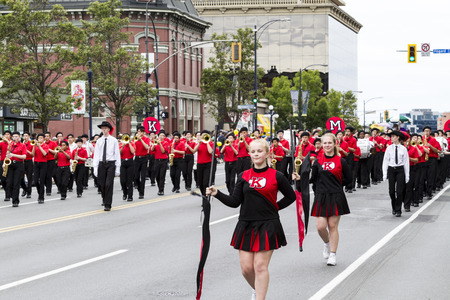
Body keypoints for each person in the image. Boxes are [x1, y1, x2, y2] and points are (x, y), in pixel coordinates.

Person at [206, 139, 296, 300]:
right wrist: (217, 194)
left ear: (267, 153)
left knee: (260, 266)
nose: (256, 154)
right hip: (246, 224)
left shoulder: (277, 176)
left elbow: (291, 196)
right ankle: (257, 289)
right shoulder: (243, 176)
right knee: (247, 269)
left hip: (268, 224)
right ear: (249, 154)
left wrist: (275, 207)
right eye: (253, 151)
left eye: (259, 151)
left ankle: (260, 297)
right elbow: (234, 202)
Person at [302, 133, 352, 266]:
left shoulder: (341, 161)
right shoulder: (318, 161)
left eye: (330, 143)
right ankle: (327, 243)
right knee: (320, 227)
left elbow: (349, 178)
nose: (327, 145)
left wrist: (337, 185)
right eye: (325, 143)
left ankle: (333, 255)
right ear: (322, 145)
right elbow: (312, 179)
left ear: (335, 144)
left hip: (336, 196)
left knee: (332, 226)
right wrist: (300, 177)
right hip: (321, 196)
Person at [93, 121, 121, 211]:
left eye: (105, 128)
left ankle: (108, 203)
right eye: (102, 128)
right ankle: (105, 199)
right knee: (102, 184)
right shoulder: (99, 141)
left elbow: (117, 154)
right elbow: (96, 155)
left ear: (109, 129)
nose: (104, 130)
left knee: (109, 184)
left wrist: (118, 167)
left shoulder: (114, 140)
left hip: (111, 163)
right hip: (101, 163)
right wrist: (95, 167)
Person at [382, 131, 409, 217]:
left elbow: (406, 162)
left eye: (393, 136)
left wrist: (407, 175)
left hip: (400, 169)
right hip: (391, 169)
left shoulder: (403, 149)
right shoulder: (389, 148)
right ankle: (394, 206)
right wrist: (384, 174)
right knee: (391, 191)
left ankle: (398, 210)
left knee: (400, 191)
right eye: (391, 136)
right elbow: (385, 161)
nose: (392, 138)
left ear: (398, 137)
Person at [4, 132, 27, 207]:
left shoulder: (22, 145)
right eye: (13, 136)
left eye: (16, 136)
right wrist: (4, 163)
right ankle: (12, 195)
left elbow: (24, 156)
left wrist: (13, 155)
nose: (14, 138)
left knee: (16, 183)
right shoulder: (10, 145)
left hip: (19, 165)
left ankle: (15, 201)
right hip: (11, 164)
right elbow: (7, 155)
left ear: (19, 137)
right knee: (9, 182)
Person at [32, 133, 49, 203]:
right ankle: (40, 193)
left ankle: (41, 197)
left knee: (42, 181)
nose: (40, 139)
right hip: (36, 163)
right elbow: (32, 154)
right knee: (35, 181)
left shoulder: (46, 145)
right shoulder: (35, 146)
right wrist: (34, 146)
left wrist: (39, 146)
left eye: (41, 138)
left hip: (43, 164)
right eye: (39, 138)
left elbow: (44, 153)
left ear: (44, 139)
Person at [134, 126, 150, 199]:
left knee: (143, 177)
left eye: (140, 131)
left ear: (143, 132)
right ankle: (139, 189)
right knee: (136, 177)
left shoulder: (146, 139)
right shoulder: (135, 138)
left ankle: (141, 193)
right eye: (138, 131)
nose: (139, 133)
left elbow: (146, 147)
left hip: (144, 158)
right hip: (137, 158)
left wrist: (141, 140)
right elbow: (133, 146)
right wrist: (135, 140)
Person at [151, 130, 169, 196]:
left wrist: (160, 143)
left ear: (164, 137)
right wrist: (154, 144)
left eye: (162, 136)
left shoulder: (165, 143)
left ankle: (161, 190)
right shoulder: (155, 142)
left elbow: (163, 151)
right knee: (157, 176)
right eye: (160, 135)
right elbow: (152, 150)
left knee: (162, 176)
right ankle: (159, 188)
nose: (161, 137)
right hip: (156, 160)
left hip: (163, 160)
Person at [119, 133, 135, 201]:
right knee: (122, 181)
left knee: (129, 180)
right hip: (123, 162)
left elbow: (133, 151)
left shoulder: (132, 144)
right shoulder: (120, 145)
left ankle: (130, 196)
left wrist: (129, 143)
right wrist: (123, 146)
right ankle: (125, 193)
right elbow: (119, 153)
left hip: (130, 162)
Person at [21, 131, 34, 198]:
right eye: (24, 136)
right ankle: (25, 189)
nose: (25, 137)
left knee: (29, 177)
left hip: (29, 161)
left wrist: (25, 149)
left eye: (26, 136)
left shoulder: (31, 144)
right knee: (21, 177)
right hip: (22, 161)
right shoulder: (21, 144)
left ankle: (29, 192)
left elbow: (32, 154)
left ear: (29, 137)